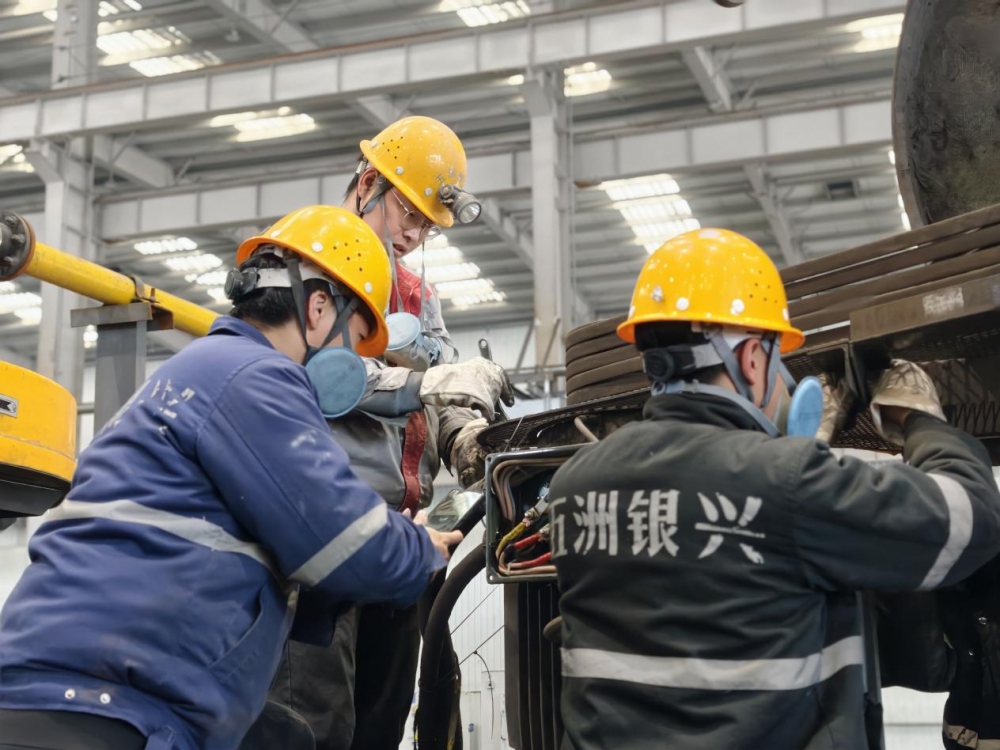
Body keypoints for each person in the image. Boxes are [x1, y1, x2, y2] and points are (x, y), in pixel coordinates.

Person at [0, 205, 462, 750]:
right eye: (356, 339)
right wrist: (420, 549)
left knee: (285, 736)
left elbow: (287, 559)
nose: (354, 362)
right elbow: (344, 542)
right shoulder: (255, 376)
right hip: (102, 708)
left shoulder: (205, 368)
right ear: (318, 308)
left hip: (82, 693)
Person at [547, 228, 1000, 750]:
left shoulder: (573, 484)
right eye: (775, 357)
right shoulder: (786, 480)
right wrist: (920, 419)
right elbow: (972, 518)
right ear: (751, 358)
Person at [256, 116, 511, 750]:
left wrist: (464, 435)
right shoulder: (308, 262)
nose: (414, 233)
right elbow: (321, 373)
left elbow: (441, 388)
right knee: (312, 723)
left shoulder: (418, 295)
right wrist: (426, 383)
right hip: (324, 537)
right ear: (369, 183)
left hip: (400, 538)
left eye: (428, 224)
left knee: (381, 722)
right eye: (408, 211)